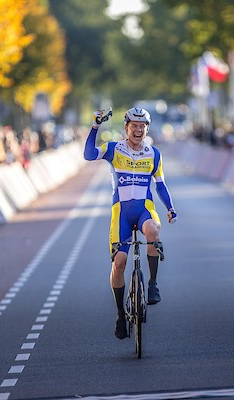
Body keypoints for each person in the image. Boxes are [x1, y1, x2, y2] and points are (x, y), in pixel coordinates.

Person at [83, 107, 178, 340]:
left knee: (153, 230)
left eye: (142, 126)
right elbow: (88, 155)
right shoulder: (114, 149)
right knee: (120, 262)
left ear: (147, 129)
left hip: (145, 210)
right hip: (122, 213)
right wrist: (95, 126)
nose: (138, 130)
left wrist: (170, 208)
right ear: (126, 128)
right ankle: (119, 314)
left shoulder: (153, 153)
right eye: (134, 126)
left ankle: (153, 284)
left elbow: (161, 185)